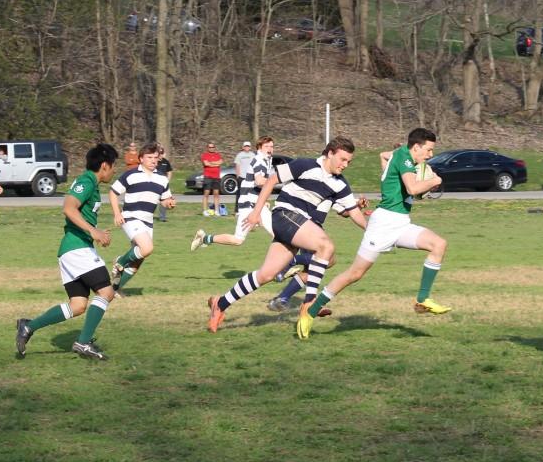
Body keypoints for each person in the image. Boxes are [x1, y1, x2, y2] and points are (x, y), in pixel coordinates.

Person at [296, 128, 451, 340]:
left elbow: (384, 155)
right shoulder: (405, 157)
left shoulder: (401, 156)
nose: (431, 155)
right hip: (383, 224)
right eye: (429, 150)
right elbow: (413, 189)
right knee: (355, 274)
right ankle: (310, 313)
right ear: (416, 147)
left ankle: (422, 300)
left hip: (401, 223)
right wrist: (434, 181)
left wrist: (394, 169)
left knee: (438, 244)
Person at [207, 136, 368, 333]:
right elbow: (272, 180)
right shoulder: (305, 164)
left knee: (266, 275)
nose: (345, 165)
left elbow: (353, 213)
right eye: (343, 159)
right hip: (284, 215)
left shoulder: (340, 184)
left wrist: (371, 229)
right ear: (330, 153)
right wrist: (256, 212)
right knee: (326, 247)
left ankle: (220, 304)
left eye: (349, 162)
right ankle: (309, 304)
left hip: (299, 226)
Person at [15, 144, 119, 361]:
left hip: (73, 250)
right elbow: (69, 207)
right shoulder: (86, 181)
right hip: (77, 248)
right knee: (106, 293)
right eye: (113, 166)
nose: (114, 171)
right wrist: (93, 231)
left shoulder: (92, 183)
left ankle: (28, 327)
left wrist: (96, 233)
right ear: (104, 165)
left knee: (78, 305)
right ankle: (83, 343)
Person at [108, 143, 176, 295]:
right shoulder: (131, 174)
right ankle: (119, 261)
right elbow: (113, 193)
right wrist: (117, 214)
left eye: (156, 158)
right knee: (147, 248)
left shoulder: (162, 179)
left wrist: (169, 203)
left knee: (138, 261)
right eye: (149, 157)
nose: (153, 160)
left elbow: (164, 200)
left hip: (147, 221)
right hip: (131, 217)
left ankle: (114, 291)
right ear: (141, 159)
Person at [191, 136, 274, 250]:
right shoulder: (259, 160)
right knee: (238, 239)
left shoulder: (267, 159)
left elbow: (259, 186)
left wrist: (264, 200)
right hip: (248, 203)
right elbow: (259, 181)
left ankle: (289, 265)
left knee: (276, 233)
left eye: (271, 146)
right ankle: (205, 238)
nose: (269, 149)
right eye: (266, 146)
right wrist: (276, 180)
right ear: (259, 148)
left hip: (255, 201)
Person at [200, 143, 223, 216]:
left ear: (214, 147)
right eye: (210, 147)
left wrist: (211, 163)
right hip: (208, 176)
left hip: (216, 177)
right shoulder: (205, 155)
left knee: (216, 194)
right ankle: (205, 210)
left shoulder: (218, 155)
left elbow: (220, 162)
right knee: (206, 193)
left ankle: (216, 210)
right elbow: (206, 164)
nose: (211, 148)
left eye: (213, 147)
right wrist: (215, 164)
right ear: (207, 148)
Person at [233, 141, 253, 212]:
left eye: (248, 146)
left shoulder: (253, 155)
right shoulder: (240, 155)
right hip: (241, 177)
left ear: (250, 147)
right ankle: (237, 210)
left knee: (250, 194)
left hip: (250, 177)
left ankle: (249, 208)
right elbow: (237, 165)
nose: (247, 147)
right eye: (245, 146)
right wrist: (238, 175)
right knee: (240, 194)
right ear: (243, 147)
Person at [156, 146, 174, 222]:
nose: (160, 155)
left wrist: (167, 180)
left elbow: (169, 172)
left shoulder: (166, 162)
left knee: (164, 201)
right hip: (155, 184)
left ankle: (162, 217)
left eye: (162, 153)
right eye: (159, 153)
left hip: (164, 184)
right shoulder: (154, 161)